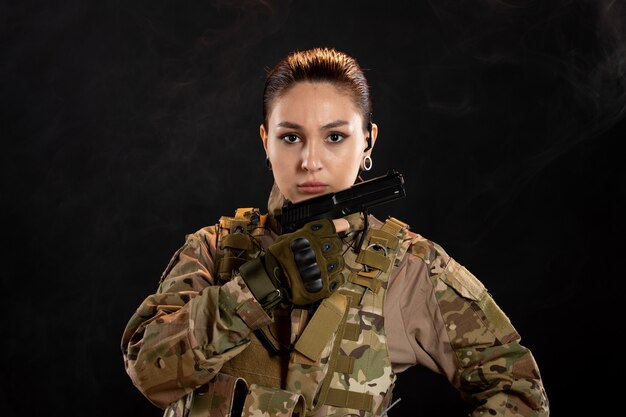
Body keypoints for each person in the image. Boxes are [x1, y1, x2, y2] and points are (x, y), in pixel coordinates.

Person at [121, 47, 550, 417]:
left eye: (335, 137)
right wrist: (257, 287)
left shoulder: (409, 268)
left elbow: (517, 389)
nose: (311, 160)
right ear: (264, 140)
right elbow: (148, 372)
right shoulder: (213, 251)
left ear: (368, 142)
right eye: (291, 137)